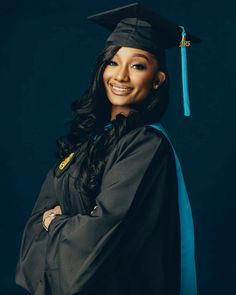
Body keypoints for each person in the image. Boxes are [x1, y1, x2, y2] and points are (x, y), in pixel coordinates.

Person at [15, 3, 199, 295]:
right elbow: (38, 218)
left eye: (137, 65)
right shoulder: (89, 138)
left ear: (157, 80)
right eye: (113, 62)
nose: (120, 76)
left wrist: (57, 223)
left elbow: (105, 230)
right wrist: (62, 222)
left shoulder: (146, 145)